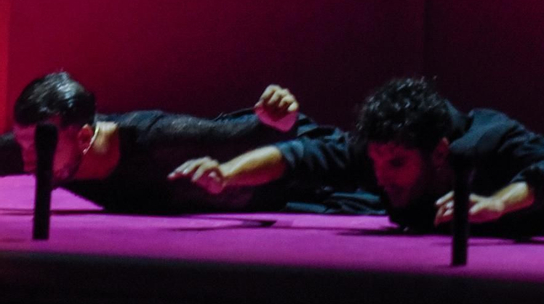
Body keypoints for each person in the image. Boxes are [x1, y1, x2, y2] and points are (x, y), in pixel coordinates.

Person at [174, 77, 544, 238]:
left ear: (441, 153)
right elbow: (303, 156)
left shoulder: (491, 137)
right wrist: (226, 172)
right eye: (378, 163)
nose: (383, 177)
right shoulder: (385, 148)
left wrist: (494, 206)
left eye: (397, 166)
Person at [0, 71, 342, 213]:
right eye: (23, 143)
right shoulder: (42, 148)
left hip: (300, 184)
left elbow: (256, 137)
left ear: (85, 137)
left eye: (37, 146)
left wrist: (277, 120)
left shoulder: (158, 139)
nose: (27, 158)